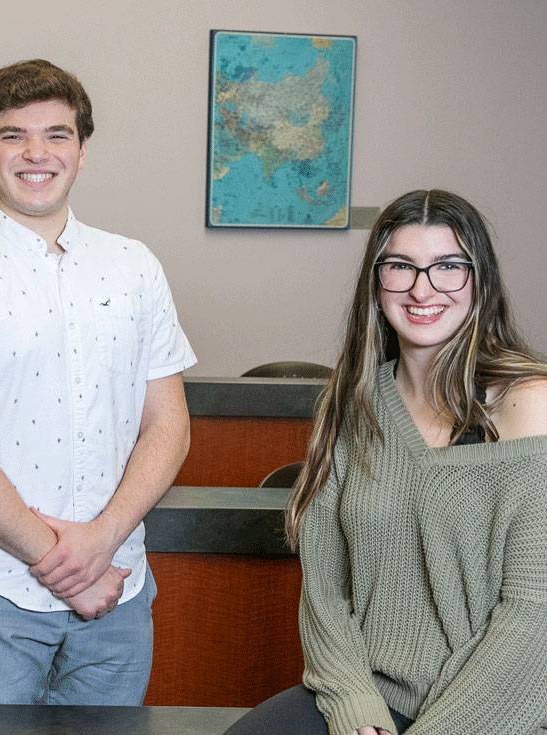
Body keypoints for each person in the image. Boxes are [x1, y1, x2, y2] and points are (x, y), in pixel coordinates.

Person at [0, 58, 196, 705]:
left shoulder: (134, 266)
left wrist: (101, 542)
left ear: (82, 150)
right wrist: (66, 566)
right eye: (12, 134)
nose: (37, 153)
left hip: (119, 586)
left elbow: (168, 425)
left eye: (57, 134)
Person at [227, 190, 547, 735]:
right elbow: (325, 586)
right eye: (401, 266)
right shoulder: (352, 403)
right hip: (376, 692)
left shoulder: (529, 403)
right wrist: (354, 702)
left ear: (480, 281)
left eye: (448, 267)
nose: (423, 289)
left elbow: (533, 614)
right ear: (376, 287)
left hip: (500, 703)